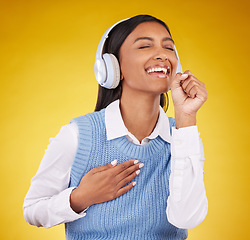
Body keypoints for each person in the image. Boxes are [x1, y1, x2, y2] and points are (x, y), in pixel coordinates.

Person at [23, 15, 208, 240]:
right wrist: (81, 197)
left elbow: (187, 218)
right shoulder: (78, 135)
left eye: (168, 47)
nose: (162, 54)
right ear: (112, 67)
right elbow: (33, 210)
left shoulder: (183, 137)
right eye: (145, 45)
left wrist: (186, 117)